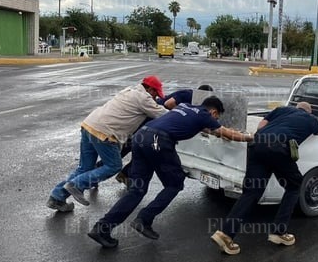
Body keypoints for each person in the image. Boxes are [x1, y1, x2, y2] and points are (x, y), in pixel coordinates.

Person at [88, 96, 252, 248]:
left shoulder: (185, 106)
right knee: (175, 183)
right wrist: (252, 137)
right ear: (214, 112)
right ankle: (144, 219)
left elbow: (202, 129)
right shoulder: (204, 115)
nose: (215, 121)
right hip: (158, 141)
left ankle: (102, 228)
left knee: (136, 190)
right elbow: (227, 134)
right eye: (216, 118)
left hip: (141, 137)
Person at [211, 101, 318, 256]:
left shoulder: (281, 110)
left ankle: (225, 234)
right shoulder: (312, 120)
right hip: (278, 148)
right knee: (294, 186)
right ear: (309, 112)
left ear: (295, 108)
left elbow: (260, 127)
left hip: (257, 145)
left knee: (251, 192)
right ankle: (278, 232)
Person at [47, 76, 167, 212]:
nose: (156, 98)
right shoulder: (144, 98)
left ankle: (57, 197)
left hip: (89, 125)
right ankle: (77, 185)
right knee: (113, 165)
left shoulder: (128, 91)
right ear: (150, 90)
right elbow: (163, 114)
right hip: (105, 132)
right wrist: (182, 113)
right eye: (156, 94)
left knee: (84, 168)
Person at [113, 84, 215, 184]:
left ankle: (124, 174)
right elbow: (168, 104)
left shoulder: (200, 102)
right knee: (132, 146)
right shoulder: (188, 94)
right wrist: (179, 118)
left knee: (143, 150)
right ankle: (105, 167)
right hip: (153, 117)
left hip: (158, 121)